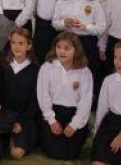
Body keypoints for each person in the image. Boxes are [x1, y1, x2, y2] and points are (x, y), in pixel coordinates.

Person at [53, 0, 107, 103]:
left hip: (87, 43)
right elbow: (54, 23)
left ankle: (87, 100)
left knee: (87, 73)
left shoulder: (94, 3)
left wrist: (86, 27)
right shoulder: (62, 1)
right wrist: (64, 23)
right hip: (68, 42)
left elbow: (101, 27)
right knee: (69, 72)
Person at [37, 32, 93, 161]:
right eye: (59, 47)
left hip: (74, 114)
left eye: (67, 48)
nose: (61, 51)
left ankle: (84, 129)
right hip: (53, 112)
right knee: (53, 152)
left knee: (70, 153)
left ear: (76, 50)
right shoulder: (47, 67)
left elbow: (85, 101)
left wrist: (74, 124)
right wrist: (51, 120)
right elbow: (43, 95)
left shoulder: (85, 72)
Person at [0, 28, 40, 160]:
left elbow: (34, 101)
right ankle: (5, 133)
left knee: (16, 153)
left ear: (29, 45)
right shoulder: (3, 64)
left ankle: (13, 136)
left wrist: (21, 122)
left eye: (21, 43)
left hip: (25, 116)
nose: (16, 46)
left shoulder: (35, 69)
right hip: (7, 112)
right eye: (13, 42)